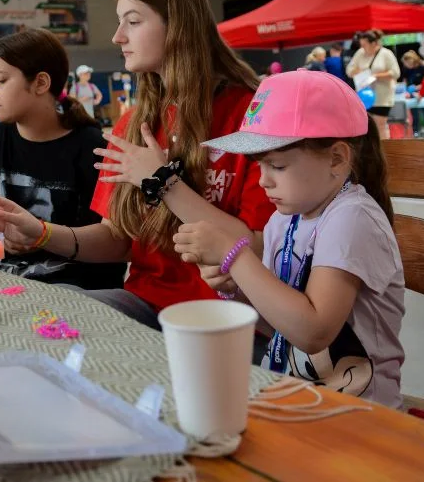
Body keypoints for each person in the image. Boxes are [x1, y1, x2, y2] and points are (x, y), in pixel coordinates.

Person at [0, 0, 275, 330]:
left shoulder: (253, 115)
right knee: (36, 319)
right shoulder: (135, 121)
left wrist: (163, 183)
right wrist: (40, 232)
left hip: (230, 315)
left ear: (178, 25)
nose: (118, 36)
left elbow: (262, 250)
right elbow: (116, 240)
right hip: (145, 304)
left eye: (133, 22)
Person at [173, 70, 405, 408]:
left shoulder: (351, 218)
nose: (263, 181)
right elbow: (280, 325)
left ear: (337, 159)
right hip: (295, 399)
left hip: (359, 415)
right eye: (258, 166)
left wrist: (236, 256)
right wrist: (235, 286)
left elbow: (313, 332)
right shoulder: (283, 220)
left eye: (277, 166)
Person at [0, 29, 124, 290]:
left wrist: (41, 236)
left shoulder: (95, 150)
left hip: (75, 290)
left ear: (41, 84)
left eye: (1, 80)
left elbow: (115, 245)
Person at [346, 29, 401, 139]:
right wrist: (359, 72)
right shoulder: (360, 53)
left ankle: (385, 149)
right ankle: (372, 151)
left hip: (382, 96)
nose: (363, 48)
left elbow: (395, 73)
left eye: (365, 45)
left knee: (380, 125)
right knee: (367, 126)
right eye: (361, 45)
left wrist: (376, 76)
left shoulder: (386, 54)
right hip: (364, 95)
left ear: (374, 43)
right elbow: (349, 70)